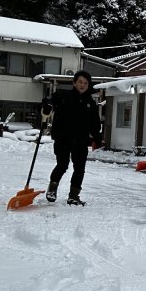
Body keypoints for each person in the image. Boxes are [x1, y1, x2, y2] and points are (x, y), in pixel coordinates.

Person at [40, 70, 102, 205]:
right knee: (62, 165)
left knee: (79, 168)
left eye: (85, 83)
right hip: (63, 138)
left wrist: (98, 138)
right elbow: (48, 101)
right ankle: (52, 188)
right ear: (74, 83)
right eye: (80, 82)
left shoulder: (90, 103)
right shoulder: (63, 96)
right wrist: (47, 105)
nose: (82, 85)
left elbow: (95, 124)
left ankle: (74, 196)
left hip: (80, 140)